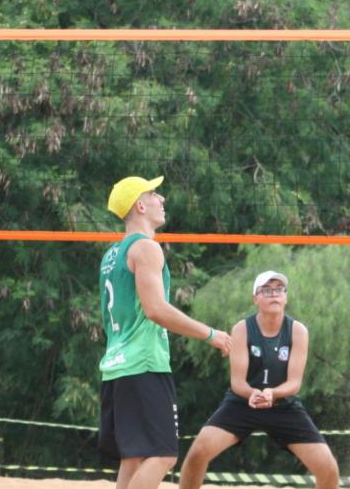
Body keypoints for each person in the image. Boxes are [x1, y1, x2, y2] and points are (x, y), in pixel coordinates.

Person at [99, 175, 233, 489]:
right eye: (154, 194)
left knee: (134, 458)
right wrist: (211, 334)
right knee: (163, 455)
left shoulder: (111, 255)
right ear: (140, 206)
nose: (162, 199)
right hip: (143, 363)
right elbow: (156, 309)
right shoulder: (146, 248)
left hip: (116, 366)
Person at [179, 271, 339, 489]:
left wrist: (273, 393)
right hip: (243, 403)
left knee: (328, 468)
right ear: (255, 298)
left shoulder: (298, 331)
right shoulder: (242, 328)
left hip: (283, 406)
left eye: (279, 289)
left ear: (286, 297)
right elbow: (238, 383)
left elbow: (294, 383)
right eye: (266, 290)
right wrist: (253, 393)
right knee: (197, 454)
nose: (274, 294)